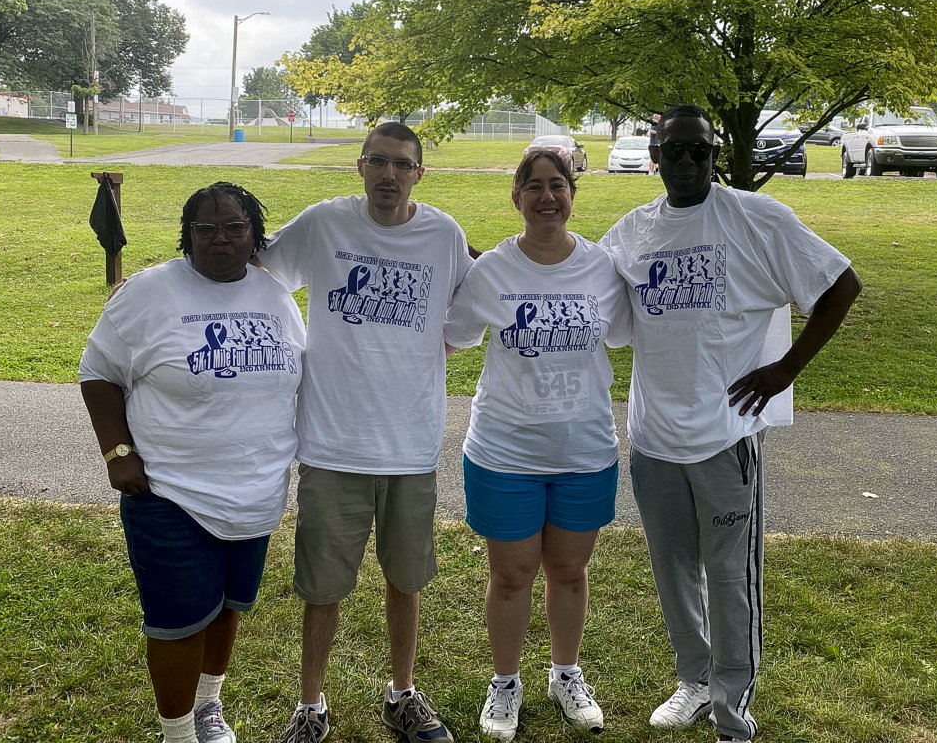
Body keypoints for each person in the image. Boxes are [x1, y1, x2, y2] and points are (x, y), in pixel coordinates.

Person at [599, 105, 861, 743]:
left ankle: (731, 715)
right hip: (653, 438)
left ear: (715, 155)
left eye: (701, 151)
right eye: (675, 150)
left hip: (726, 435)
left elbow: (841, 284)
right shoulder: (632, 231)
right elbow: (573, 283)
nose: (688, 162)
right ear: (655, 156)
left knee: (730, 577)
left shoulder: (756, 218)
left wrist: (786, 369)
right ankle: (693, 679)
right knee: (673, 571)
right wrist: (500, 267)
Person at [259, 122, 472, 743]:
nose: (389, 175)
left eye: (402, 164)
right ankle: (311, 705)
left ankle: (402, 694)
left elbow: (471, 304)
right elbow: (258, 272)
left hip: (410, 446)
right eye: (378, 161)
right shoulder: (325, 223)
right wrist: (167, 276)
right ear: (360, 166)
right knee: (323, 587)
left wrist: (438, 342)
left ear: (419, 174)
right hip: (333, 443)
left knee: (406, 579)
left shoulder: (444, 234)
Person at [79, 182, 306, 743]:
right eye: (205, 228)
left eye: (234, 227)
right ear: (188, 234)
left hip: (256, 493)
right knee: (178, 623)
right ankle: (177, 733)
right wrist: (117, 452)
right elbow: (98, 373)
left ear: (254, 234)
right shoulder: (149, 293)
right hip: (169, 492)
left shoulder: (274, 294)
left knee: (227, 608)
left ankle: (207, 707)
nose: (220, 238)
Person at [443, 150, 631, 741]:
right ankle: (505, 682)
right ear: (516, 197)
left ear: (572, 194)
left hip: (584, 449)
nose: (547, 197)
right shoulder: (492, 271)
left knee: (569, 571)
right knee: (512, 574)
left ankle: (565, 674)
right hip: (505, 451)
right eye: (534, 187)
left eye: (558, 185)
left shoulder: (603, 268)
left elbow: (633, 334)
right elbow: (450, 338)